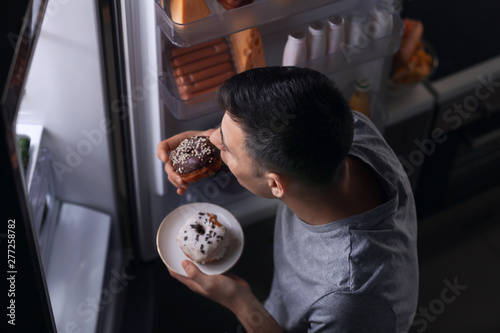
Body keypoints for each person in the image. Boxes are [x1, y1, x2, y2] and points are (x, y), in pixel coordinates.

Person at [157, 66, 418, 332]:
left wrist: (240, 301)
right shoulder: (346, 127)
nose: (211, 139)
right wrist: (213, 146)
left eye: (225, 146)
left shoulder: (350, 296)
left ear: (275, 184)